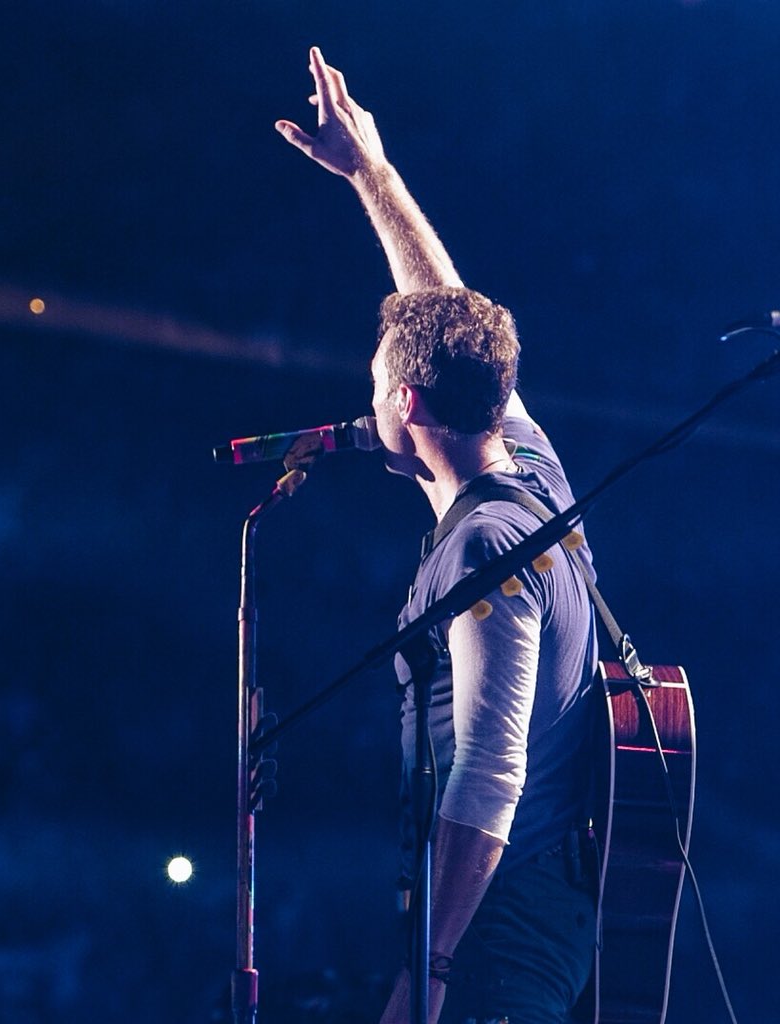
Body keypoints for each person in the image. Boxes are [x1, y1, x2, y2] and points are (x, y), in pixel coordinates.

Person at [276, 48, 599, 1024]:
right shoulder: (531, 468)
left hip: (495, 933)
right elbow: (446, 309)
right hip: (521, 916)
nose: (368, 396)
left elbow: (493, 767)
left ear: (406, 403)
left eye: (378, 383)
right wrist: (370, 175)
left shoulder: (481, 544)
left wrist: (432, 971)